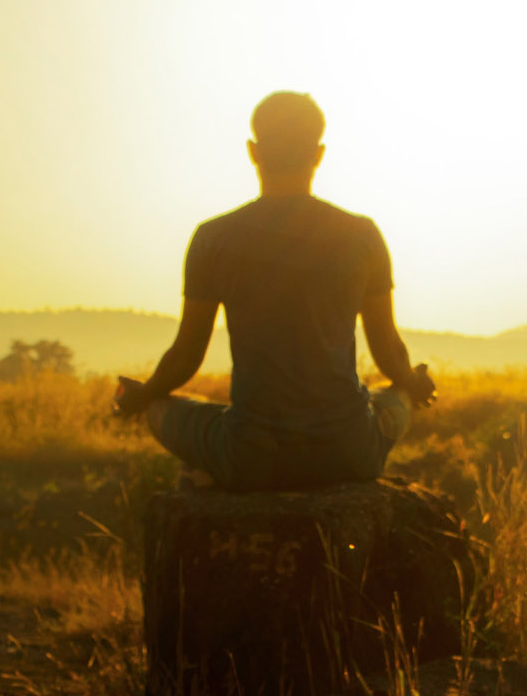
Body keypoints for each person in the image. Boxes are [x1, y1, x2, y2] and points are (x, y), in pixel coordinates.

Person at [112, 91, 436, 491]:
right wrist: (412, 382)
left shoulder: (213, 239)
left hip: (252, 456)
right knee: (397, 396)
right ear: (318, 154)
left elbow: (185, 357)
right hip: (350, 453)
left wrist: (142, 395)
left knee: (160, 409)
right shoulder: (361, 236)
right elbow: (388, 351)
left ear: (253, 151)